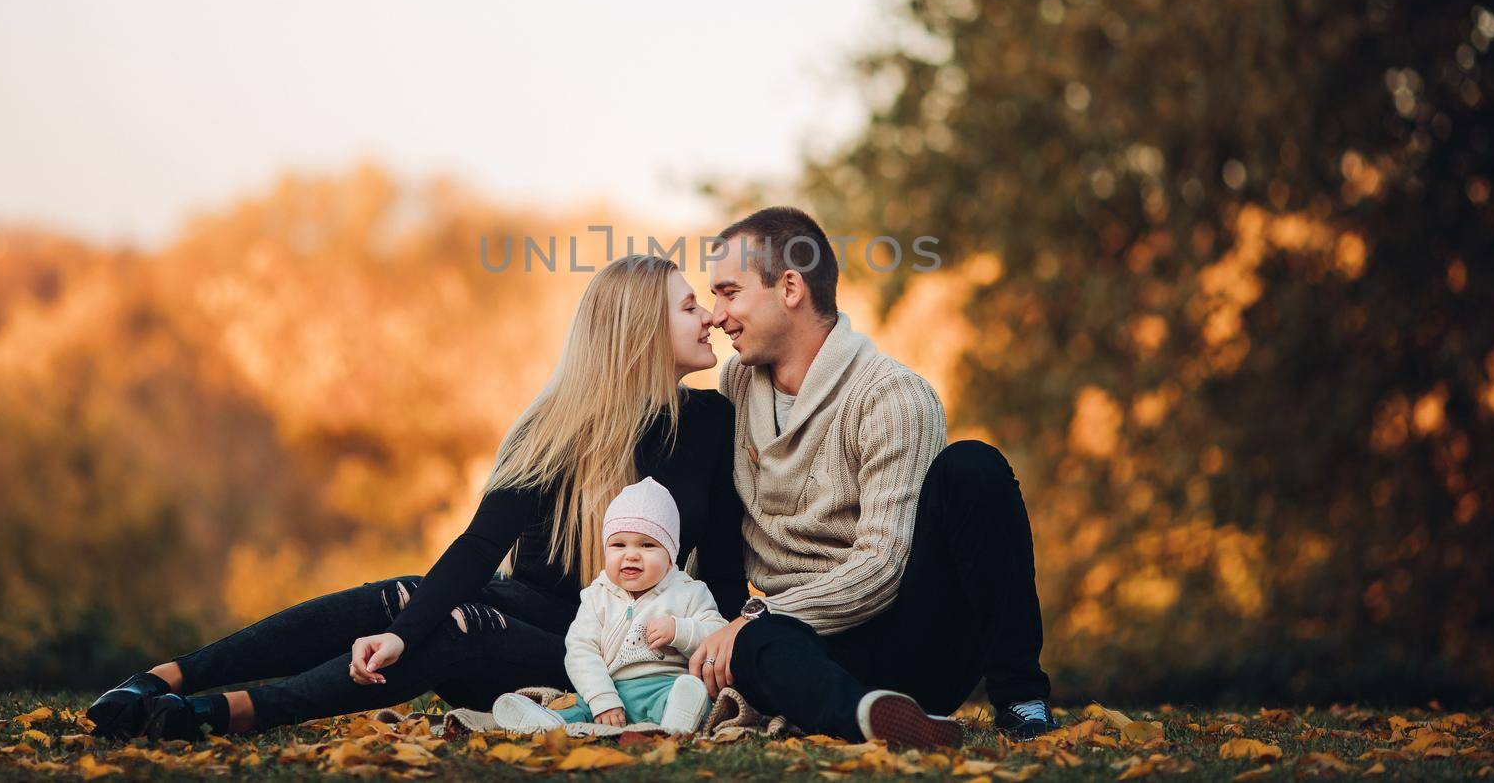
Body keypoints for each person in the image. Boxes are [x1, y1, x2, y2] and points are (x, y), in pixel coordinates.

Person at [85, 255, 747, 741]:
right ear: (637, 327)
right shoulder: (558, 423)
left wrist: (713, 643)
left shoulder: (712, 421)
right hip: (522, 607)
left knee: (456, 622)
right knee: (406, 596)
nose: (709, 317)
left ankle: (230, 711)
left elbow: (718, 564)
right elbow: (482, 544)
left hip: (602, 649)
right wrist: (401, 632)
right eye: (689, 305)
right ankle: (168, 676)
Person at [688, 207, 1059, 746]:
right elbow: (717, 525)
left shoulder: (893, 397)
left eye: (729, 292)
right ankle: (871, 719)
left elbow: (883, 566)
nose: (716, 315)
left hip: (909, 639)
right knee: (754, 646)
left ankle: (1022, 699)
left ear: (790, 287)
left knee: (974, 466)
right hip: (801, 651)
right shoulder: (737, 385)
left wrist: (757, 615)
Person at [492, 477, 723, 735]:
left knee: (690, 692)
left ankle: (679, 718)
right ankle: (547, 721)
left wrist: (680, 630)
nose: (631, 554)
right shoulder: (596, 597)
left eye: (647, 545)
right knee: (578, 705)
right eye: (618, 545)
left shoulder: (689, 592)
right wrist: (603, 699)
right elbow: (581, 650)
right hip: (612, 689)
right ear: (606, 551)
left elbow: (717, 635)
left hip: (665, 687)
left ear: (670, 557)